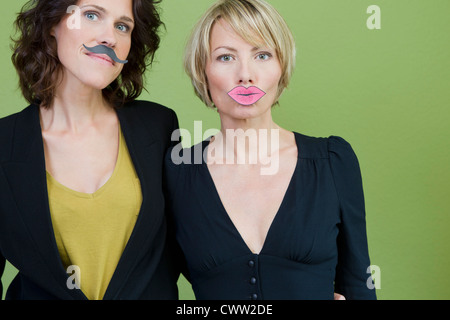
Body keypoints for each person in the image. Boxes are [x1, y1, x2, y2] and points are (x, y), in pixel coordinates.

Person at [165, 0, 376, 300]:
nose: (246, 74)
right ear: (203, 71)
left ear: (281, 67)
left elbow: (359, 285)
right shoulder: (177, 172)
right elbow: (154, 286)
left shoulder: (333, 162)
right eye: (225, 57)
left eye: (262, 55)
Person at [0, 0, 180, 300]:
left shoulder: (158, 126)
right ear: (53, 25)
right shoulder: (5, 144)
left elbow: (189, 246)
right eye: (92, 15)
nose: (110, 37)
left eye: (123, 26)